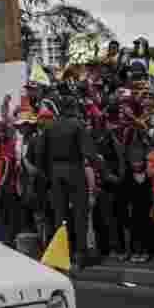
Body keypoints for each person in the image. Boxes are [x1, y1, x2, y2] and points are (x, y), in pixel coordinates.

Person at [35, 96, 96, 268]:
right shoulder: (77, 125)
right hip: (74, 170)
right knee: (79, 214)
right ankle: (80, 256)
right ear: (72, 107)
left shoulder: (49, 127)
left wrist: (47, 176)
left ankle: (61, 256)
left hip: (55, 172)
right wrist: (104, 172)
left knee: (59, 216)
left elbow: (40, 155)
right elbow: (89, 153)